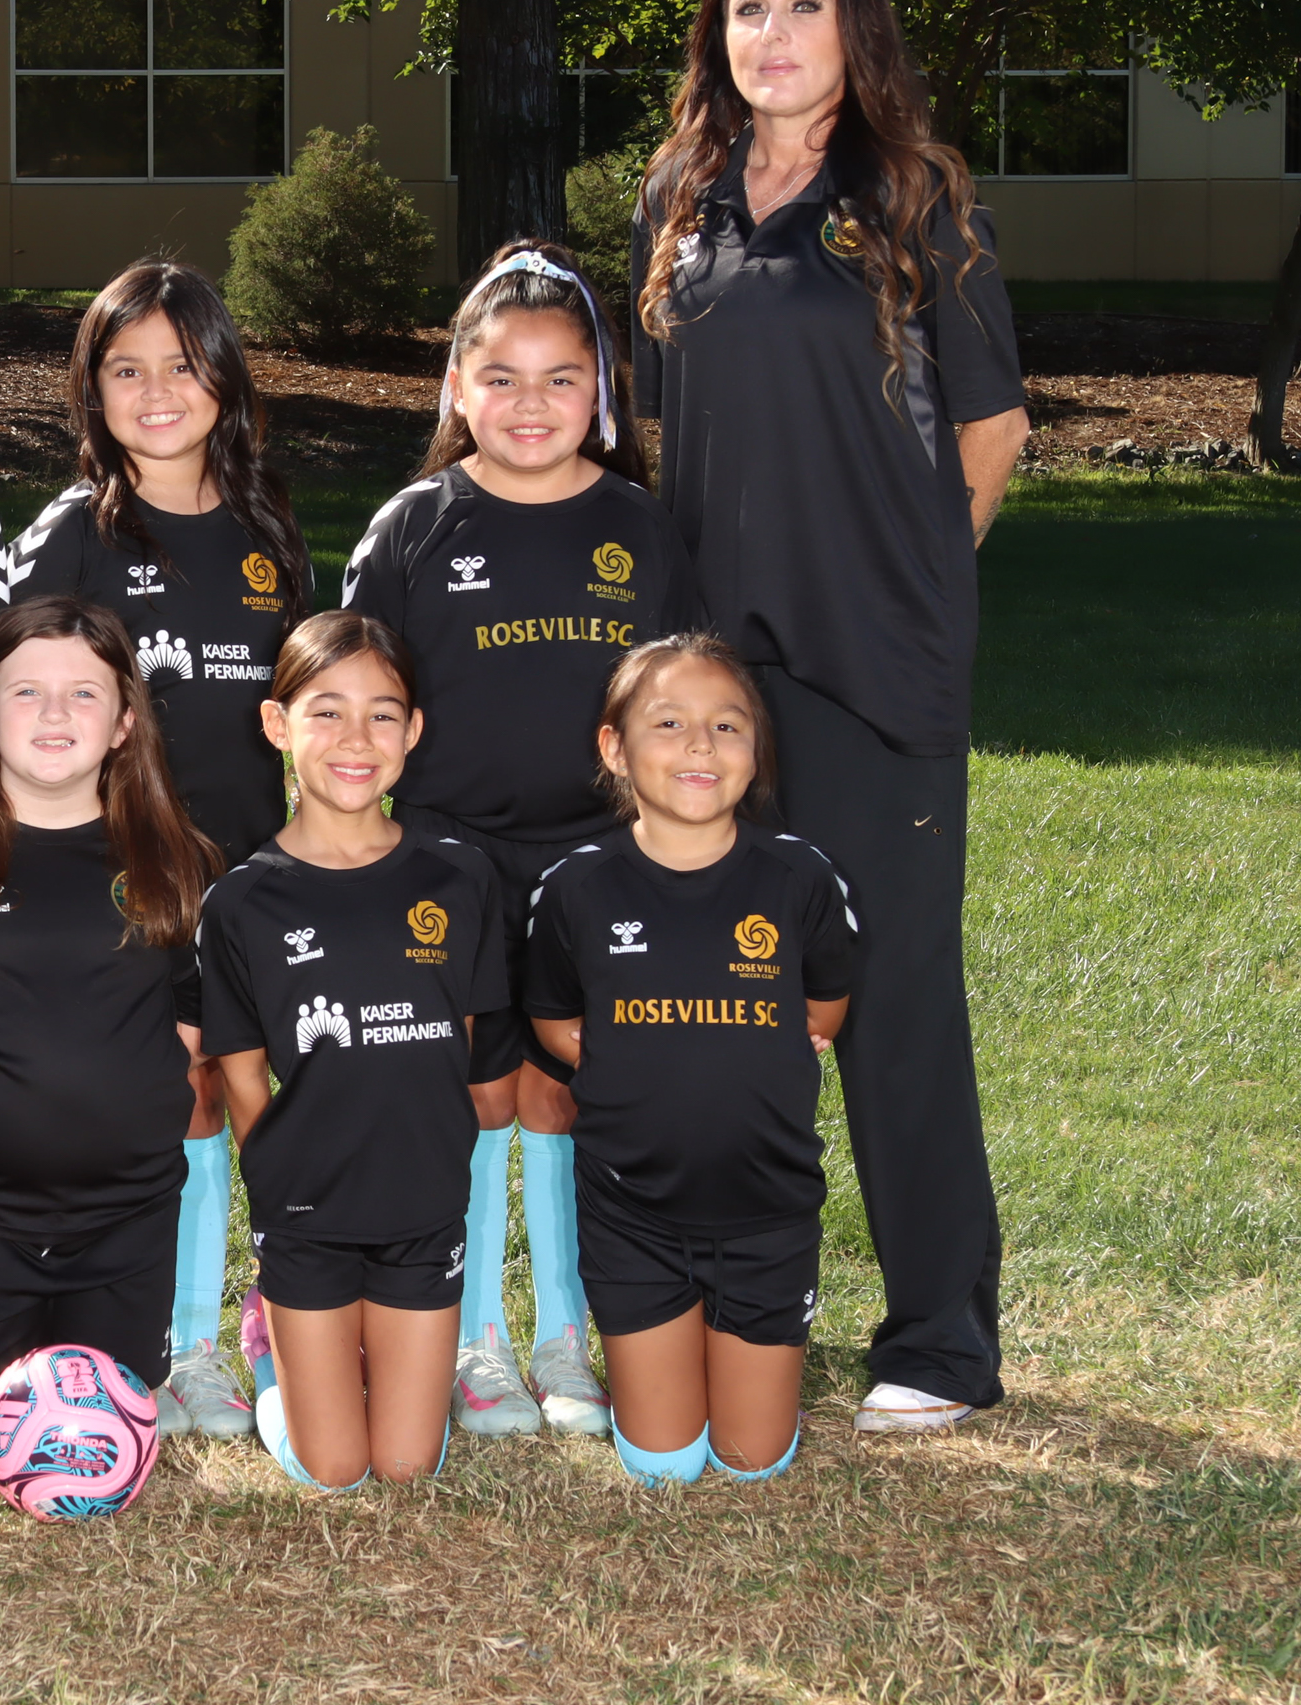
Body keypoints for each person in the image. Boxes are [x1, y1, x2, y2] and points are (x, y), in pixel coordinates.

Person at [629, 0, 1031, 1432]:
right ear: (718, 35)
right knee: (721, 1003)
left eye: (803, 6)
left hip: (875, 675)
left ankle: (941, 1338)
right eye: (750, 9)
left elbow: (990, 431)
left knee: (891, 1002)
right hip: (715, 688)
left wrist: (908, 579)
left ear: (854, 27)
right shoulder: (680, 197)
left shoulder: (916, 199)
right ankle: (726, 1306)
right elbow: (661, 423)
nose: (775, 35)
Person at [340, 239, 699, 1442]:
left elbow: (683, 703)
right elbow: (354, 701)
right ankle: (474, 1337)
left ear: (602, 390)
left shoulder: (640, 528)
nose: (529, 403)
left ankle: (562, 1331)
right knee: (469, 1091)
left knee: (559, 1089)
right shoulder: (414, 527)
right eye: (499, 377)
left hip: (599, 864)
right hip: (449, 863)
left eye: (560, 378)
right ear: (456, 386)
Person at [2, 258, 310, 1441]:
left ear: (223, 378)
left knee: (239, 1089)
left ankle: (238, 1323)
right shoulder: (70, 536)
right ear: (91, 392)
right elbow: (12, 712)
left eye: (179, 365)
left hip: (246, 880)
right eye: (124, 370)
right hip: (114, 882)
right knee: (151, 1100)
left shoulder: (268, 526)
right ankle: (143, 1330)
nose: (155, 391)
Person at [0, 597, 215, 1489]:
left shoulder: (172, 861)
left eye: (83, 693)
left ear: (125, 721)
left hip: (125, 1218)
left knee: (103, 1465)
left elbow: (196, 1008)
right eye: (26, 692)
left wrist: (134, 1081)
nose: (55, 714)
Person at [523, 634, 853, 1484]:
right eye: (669, 722)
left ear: (757, 750)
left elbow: (823, 1009)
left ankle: (746, 1349)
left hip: (768, 1212)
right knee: (662, 1463)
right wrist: (637, 1055)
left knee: (751, 1460)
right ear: (614, 748)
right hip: (633, 1217)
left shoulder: (800, 878)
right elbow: (555, 1021)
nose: (701, 744)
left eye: (727, 725)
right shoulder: (575, 888)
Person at [200, 612, 509, 1489]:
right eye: (326, 712)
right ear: (277, 725)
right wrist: (282, 1176)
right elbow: (241, 1072)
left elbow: (462, 1045)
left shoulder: (460, 876)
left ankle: (362, 1352)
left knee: (408, 1466)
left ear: (413, 731)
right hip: (307, 1214)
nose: (356, 738)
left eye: (383, 714)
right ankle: (275, 1361)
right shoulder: (243, 902)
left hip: (423, 1206)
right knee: (334, 1468)